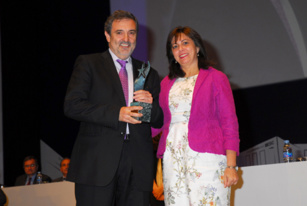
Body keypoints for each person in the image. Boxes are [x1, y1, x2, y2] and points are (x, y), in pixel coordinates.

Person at [64, 10, 163, 206]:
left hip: (138, 162)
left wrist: (150, 105)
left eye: (132, 33)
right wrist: (117, 113)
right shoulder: (88, 64)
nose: (126, 39)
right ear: (107, 35)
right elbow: (72, 106)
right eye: (119, 32)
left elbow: (158, 119)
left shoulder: (148, 72)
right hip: (97, 163)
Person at [152, 26, 240, 205]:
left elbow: (229, 123)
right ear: (171, 53)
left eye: (185, 43)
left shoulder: (216, 78)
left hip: (208, 160)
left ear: (197, 47)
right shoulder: (166, 83)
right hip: (173, 159)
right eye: (175, 46)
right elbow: (158, 122)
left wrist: (231, 166)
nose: (180, 49)